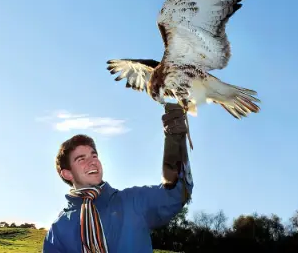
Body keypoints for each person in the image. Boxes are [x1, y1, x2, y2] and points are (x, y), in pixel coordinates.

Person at [42, 103, 193, 253]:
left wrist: (175, 141)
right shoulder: (58, 230)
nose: (93, 161)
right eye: (81, 159)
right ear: (67, 173)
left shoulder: (132, 201)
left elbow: (175, 194)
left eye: (94, 156)